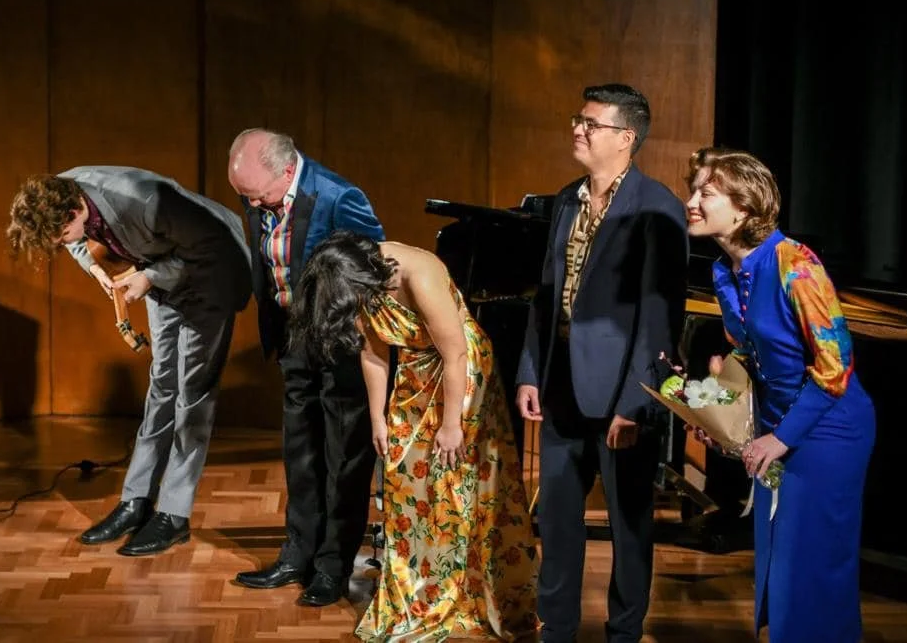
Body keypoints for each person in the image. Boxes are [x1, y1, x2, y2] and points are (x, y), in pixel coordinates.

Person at [288, 230, 539, 641]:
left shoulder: (417, 275)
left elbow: (456, 352)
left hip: (460, 373)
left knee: (449, 480)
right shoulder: (352, 278)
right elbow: (372, 351)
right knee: (405, 478)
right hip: (416, 370)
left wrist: (452, 424)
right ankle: (419, 588)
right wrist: (379, 420)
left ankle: (457, 590)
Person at [516, 83, 688, 643]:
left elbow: (658, 320)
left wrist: (635, 405)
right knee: (559, 523)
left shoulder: (656, 208)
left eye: (591, 123)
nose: (578, 129)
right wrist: (528, 370)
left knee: (629, 525)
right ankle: (556, 631)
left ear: (626, 138)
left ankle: (623, 634)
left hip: (622, 397)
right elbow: (545, 296)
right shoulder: (566, 199)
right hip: (562, 386)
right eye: (577, 119)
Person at [6, 167, 252, 556]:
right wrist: (97, 268)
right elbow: (74, 242)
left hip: (211, 275)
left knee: (192, 397)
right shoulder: (59, 192)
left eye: (60, 237)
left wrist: (149, 277)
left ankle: (173, 514)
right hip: (162, 275)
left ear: (74, 213)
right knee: (161, 389)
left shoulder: (144, 199)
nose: (61, 244)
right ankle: (136, 501)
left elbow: (214, 250)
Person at [684, 147, 875, 643]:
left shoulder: (795, 262)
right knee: (776, 567)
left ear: (744, 207)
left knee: (809, 568)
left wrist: (779, 438)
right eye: (694, 191)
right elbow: (750, 355)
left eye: (707, 193)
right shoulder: (725, 271)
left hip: (828, 429)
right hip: (776, 429)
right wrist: (713, 408)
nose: (692, 202)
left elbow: (835, 367)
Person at [227, 129, 384, 607]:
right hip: (293, 338)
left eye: (258, 195)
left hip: (339, 345)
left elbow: (372, 266)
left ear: (287, 170)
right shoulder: (259, 195)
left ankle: (333, 566)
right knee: (300, 454)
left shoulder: (339, 197)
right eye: (245, 198)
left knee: (344, 458)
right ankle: (298, 553)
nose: (253, 206)